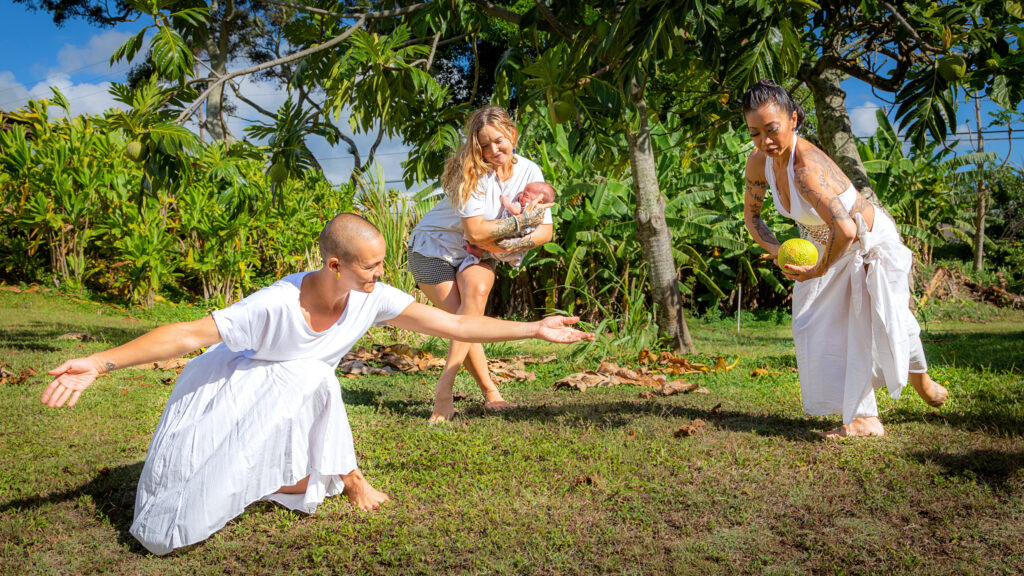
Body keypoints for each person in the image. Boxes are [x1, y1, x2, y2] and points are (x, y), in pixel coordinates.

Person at [41, 213, 592, 555]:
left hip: (294, 391)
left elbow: (453, 324)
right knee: (167, 533)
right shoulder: (276, 303)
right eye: (371, 267)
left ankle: (342, 481)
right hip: (227, 395)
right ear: (335, 264)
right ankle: (319, 478)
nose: (381, 275)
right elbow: (187, 335)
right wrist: (99, 362)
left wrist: (533, 328)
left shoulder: (372, 297)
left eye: (382, 264)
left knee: (313, 378)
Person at [740, 79, 948, 438]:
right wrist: (779, 253)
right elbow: (752, 217)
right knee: (813, 323)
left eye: (771, 129)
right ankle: (919, 383)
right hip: (824, 243)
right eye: (755, 133)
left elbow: (848, 230)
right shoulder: (759, 165)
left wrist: (817, 270)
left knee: (883, 319)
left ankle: (869, 416)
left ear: (793, 118)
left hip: (866, 241)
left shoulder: (806, 168)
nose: (764, 141)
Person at [407, 105, 555, 423]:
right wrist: (516, 227)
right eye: (483, 144)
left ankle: (470, 391)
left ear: (512, 134)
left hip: (478, 253)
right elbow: (475, 230)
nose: (492, 150)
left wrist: (511, 244)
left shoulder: (530, 172)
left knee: (476, 296)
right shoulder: (472, 172)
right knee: (464, 320)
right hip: (432, 250)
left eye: (498, 141)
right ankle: (460, 392)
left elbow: (546, 230)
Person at [460, 181, 557, 271]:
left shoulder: (530, 210)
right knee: (480, 241)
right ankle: (475, 255)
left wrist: (507, 203)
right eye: (522, 192)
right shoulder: (533, 210)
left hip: (507, 249)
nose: (521, 195)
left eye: (526, 195)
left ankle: (474, 255)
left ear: (539, 202)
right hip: (510, 252)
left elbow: (516, 211)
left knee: (477, 236)